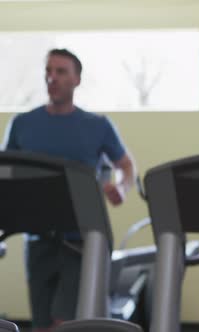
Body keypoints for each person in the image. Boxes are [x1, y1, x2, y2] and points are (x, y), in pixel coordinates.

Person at [2, 49, 137, 332]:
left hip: (80, 239)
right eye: (48, 71)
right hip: (37, 238)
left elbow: (126, 166)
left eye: (61, 71)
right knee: (41, 324)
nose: (52, 78)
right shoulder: (22, 124)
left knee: (65, 322)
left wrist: (122, 189)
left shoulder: (97, 125)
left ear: (77, 79)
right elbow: (6, 175)